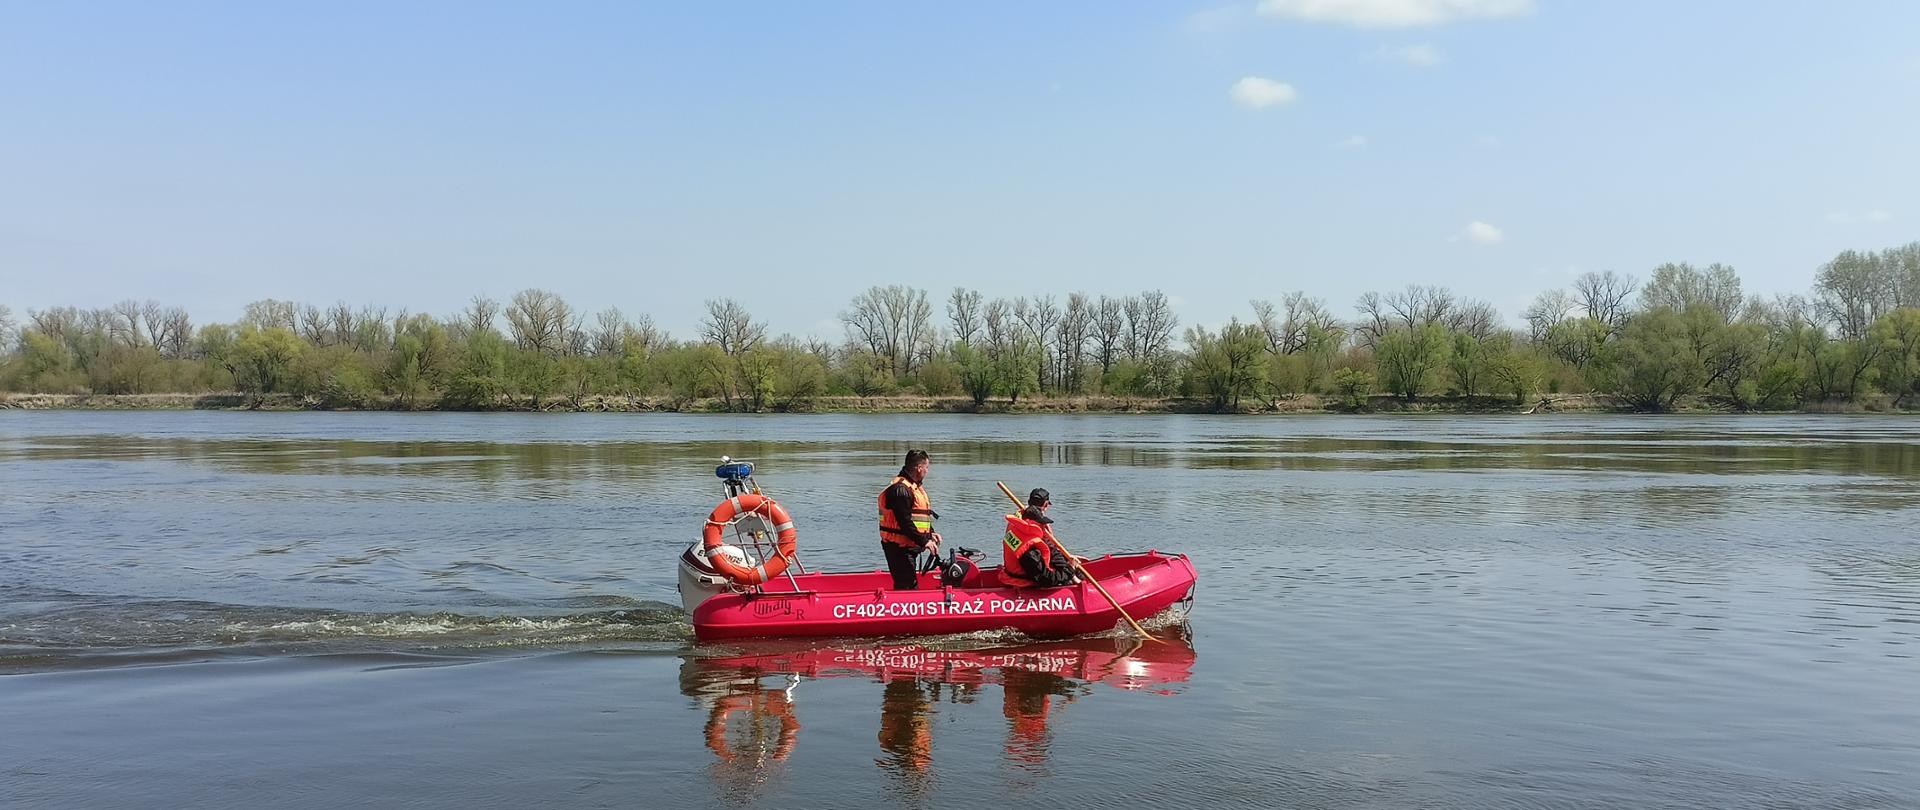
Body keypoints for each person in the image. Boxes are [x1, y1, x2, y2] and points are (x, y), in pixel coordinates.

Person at [879, 449, 941, 589]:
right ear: (919, 468)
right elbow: (905, 522)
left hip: (907, 546)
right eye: (926, 468)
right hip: (898, 548)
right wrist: (925, 541)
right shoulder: (900, 490)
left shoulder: (912, 487)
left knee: (908, 583)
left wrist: (930, 533)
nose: (927, 471)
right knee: (906, 586)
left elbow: (916, 517)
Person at [999, 488, 1079, 588]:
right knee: (1067, 576)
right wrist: (1070, 570)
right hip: (1022, 582)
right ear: (1046, 505)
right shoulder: (1030, 548)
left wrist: (1067, 560)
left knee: (1074, 572)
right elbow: (1046, 579)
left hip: (1015, 572)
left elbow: (1050, 549)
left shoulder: (1018, 524)